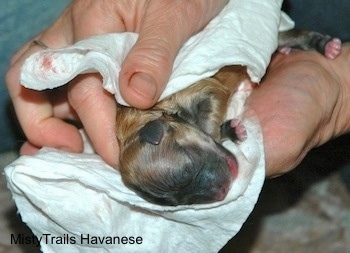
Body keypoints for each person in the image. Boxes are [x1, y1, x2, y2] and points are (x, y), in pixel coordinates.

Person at [5, 0, 350, 177]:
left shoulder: (180, 113)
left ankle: (311, 40)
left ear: (159, 132)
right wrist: (339, 82)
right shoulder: (163, 131)